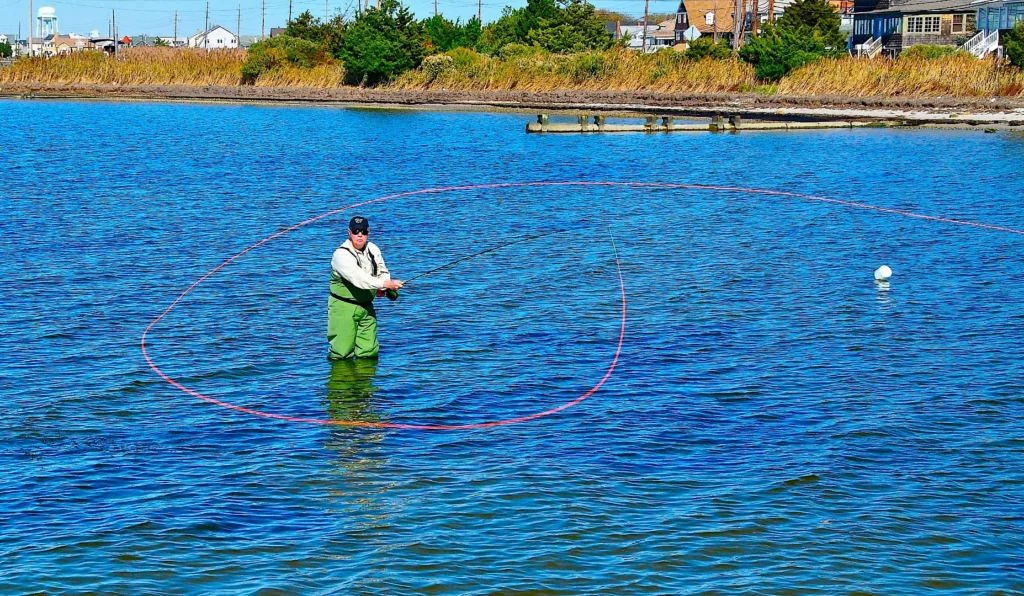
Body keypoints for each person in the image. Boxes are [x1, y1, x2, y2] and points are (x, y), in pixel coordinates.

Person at [327, 216, 404, 360]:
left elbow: (382, 271)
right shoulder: (340, 255)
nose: (360, 234)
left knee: (369, 352)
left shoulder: (373, 249)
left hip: (367, 307)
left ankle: (365, 382)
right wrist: (385, 284)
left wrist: (384, 286)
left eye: (363, 231)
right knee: (341, 354)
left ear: (368, 232)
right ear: (349, 233)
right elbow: (358, 278)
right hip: (343, 309)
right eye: (356, 231)